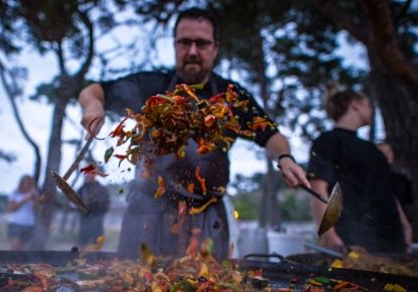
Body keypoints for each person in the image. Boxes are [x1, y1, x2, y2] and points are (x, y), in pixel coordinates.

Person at [78, 8, 309, 259]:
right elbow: (93, 91)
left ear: (215, 47)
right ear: (175, 45)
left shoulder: (232, 96)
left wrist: (285, 157)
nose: (192, 52)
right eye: (185, 42)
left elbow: (271, 135)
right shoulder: (152, 85)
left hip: (207, 218)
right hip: (146, 214)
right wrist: (93, 105)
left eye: (202, 43)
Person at [307, 90, 410, 253]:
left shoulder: (372, 150)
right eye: (368, 104)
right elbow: (318, 187)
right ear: (354, 104)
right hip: (354, 241)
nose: (371, 110)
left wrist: (405, 225)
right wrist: (328, 233)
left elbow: (387, 190)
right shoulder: (329, 141)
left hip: (392, 240)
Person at [77, 172, 110, 245]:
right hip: (85, 220)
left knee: (97, 241)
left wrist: (99, 213)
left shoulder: (102, 189)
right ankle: (82, 255)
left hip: (97, 219)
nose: (88, 175)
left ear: (95, 175)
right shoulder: (81, 189)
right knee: (83, 242)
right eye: (87, 173)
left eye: (91, 173)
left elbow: (106, 204)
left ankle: (97, 256)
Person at [6, 175, 39, 251]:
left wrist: (36, 200)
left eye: (29, 184)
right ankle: (12, 262)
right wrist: (25, 199)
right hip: (15, 223)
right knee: (15, 248)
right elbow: (12, 208)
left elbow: (36, 209)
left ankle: (19, 263)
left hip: (28, 224)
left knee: (23, 249)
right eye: (26, 183)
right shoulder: (14, 193)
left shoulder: (34, 194)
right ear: (21, 184)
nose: (27, 186)